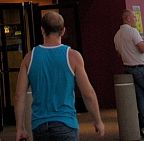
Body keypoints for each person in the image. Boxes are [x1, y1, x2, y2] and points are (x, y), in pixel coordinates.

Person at [15, 9, 104, 140]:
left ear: (42, 30)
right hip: (66, 122)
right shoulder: (72, 56)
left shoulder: (29, 58)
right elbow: (88, 93)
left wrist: (20, 128)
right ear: (63, 31)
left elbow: (19, 96)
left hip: (39, 124)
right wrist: (98, 120)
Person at [114, 9, 144, 140]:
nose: (136, 19)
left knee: (141, 102)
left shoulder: (117, 35)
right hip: (140, 68)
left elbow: (119, 53)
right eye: (134, 17)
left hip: (128, 69)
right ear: (127, 18)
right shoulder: (132, 32)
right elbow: (142, 49)